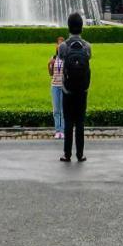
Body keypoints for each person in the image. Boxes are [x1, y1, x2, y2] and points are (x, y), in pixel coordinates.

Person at [57, 12, 92, 163]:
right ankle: (80, 154)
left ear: (69, 27)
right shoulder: (87, 46)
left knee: (68, 121)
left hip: (67, 89)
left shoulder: (63, 46)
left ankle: (67, 154)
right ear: (81, 28)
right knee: (80, 122)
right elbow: (89, 58)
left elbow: (60, 58)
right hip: (82, 90)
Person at [47, 35, 65, 140]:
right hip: (54, 86)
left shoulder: (66, 58)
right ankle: (57, 130)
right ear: (56, 46)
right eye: (59, 44)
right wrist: (49, 64)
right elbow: (50, 74)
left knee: (63, 110)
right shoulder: (53, 58)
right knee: (56, 110)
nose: (60, 46)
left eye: (62, 44)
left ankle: (62, 131)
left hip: (63, 87)